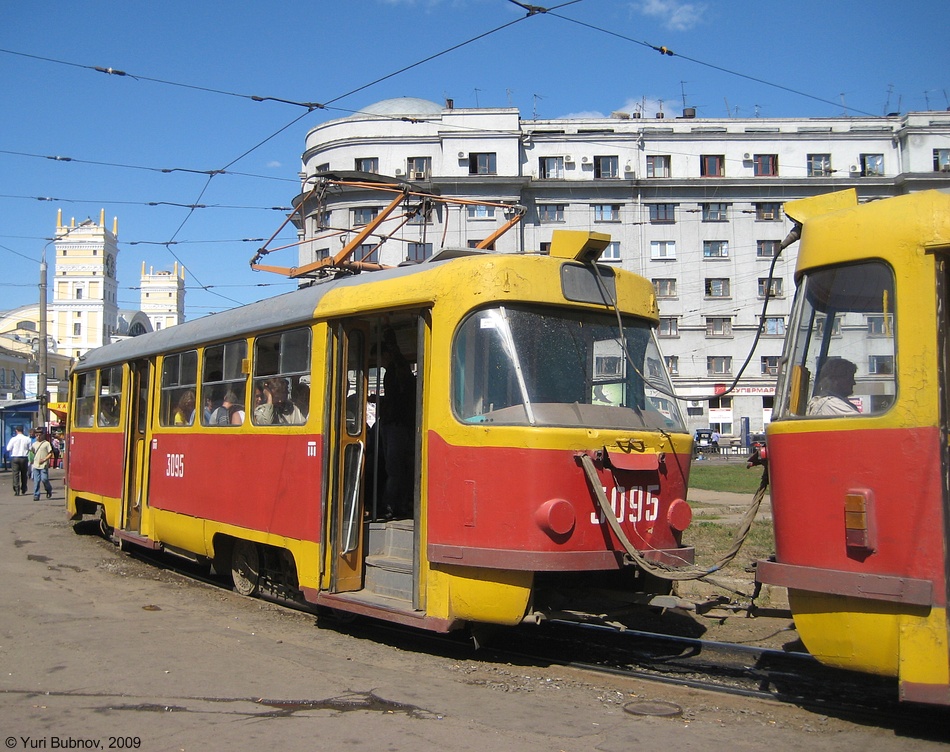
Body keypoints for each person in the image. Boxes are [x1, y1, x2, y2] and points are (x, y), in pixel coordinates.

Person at [373, 329, 416, 519]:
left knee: (394, 469)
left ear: (387, 354)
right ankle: (398, 504)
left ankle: (390, 505)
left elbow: (395, 401)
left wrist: (390, 337)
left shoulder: (395, 371)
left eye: (380, 358)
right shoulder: (393, 373)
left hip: (395, 426)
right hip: (397, 425)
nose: (380, 363)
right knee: (398, 468)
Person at [6, 425, 31, 496]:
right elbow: (30, 448)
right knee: (24, 474)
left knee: (15, 474)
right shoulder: (27, 439)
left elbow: (8, 448)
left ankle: (16, 489)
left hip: (15, 457)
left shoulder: (13, 439)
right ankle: (24, 488)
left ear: (16, 431)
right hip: (24, 457)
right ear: (23, 430)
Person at [30, 428, 54, 500]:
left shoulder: (46, 443)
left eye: (39, 435)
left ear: (42, 435)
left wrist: (44, 459)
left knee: (44, 479)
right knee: (36, 481)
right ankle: (36, 495)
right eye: (36, 435)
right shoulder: (34, 444)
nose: (38, 437)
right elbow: (31, 453)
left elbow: (50, 454)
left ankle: (48, 489)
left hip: (43, 465)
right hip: (35, 465)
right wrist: (31, 459)